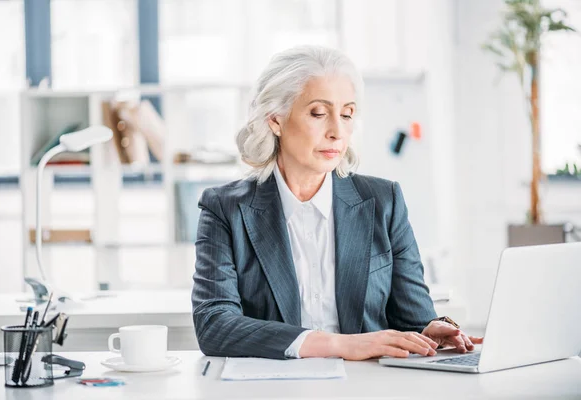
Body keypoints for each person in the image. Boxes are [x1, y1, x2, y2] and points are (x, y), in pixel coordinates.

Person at [192, 45, 482, 360]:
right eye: (318, 113)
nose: (337, 131)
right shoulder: (224, 208)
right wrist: (338, 344)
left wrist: (430, 330)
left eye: (346, 114)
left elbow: (413, 316)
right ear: (275, 120)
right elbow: (215, 326)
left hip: (368, 387)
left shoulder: (384, 202)